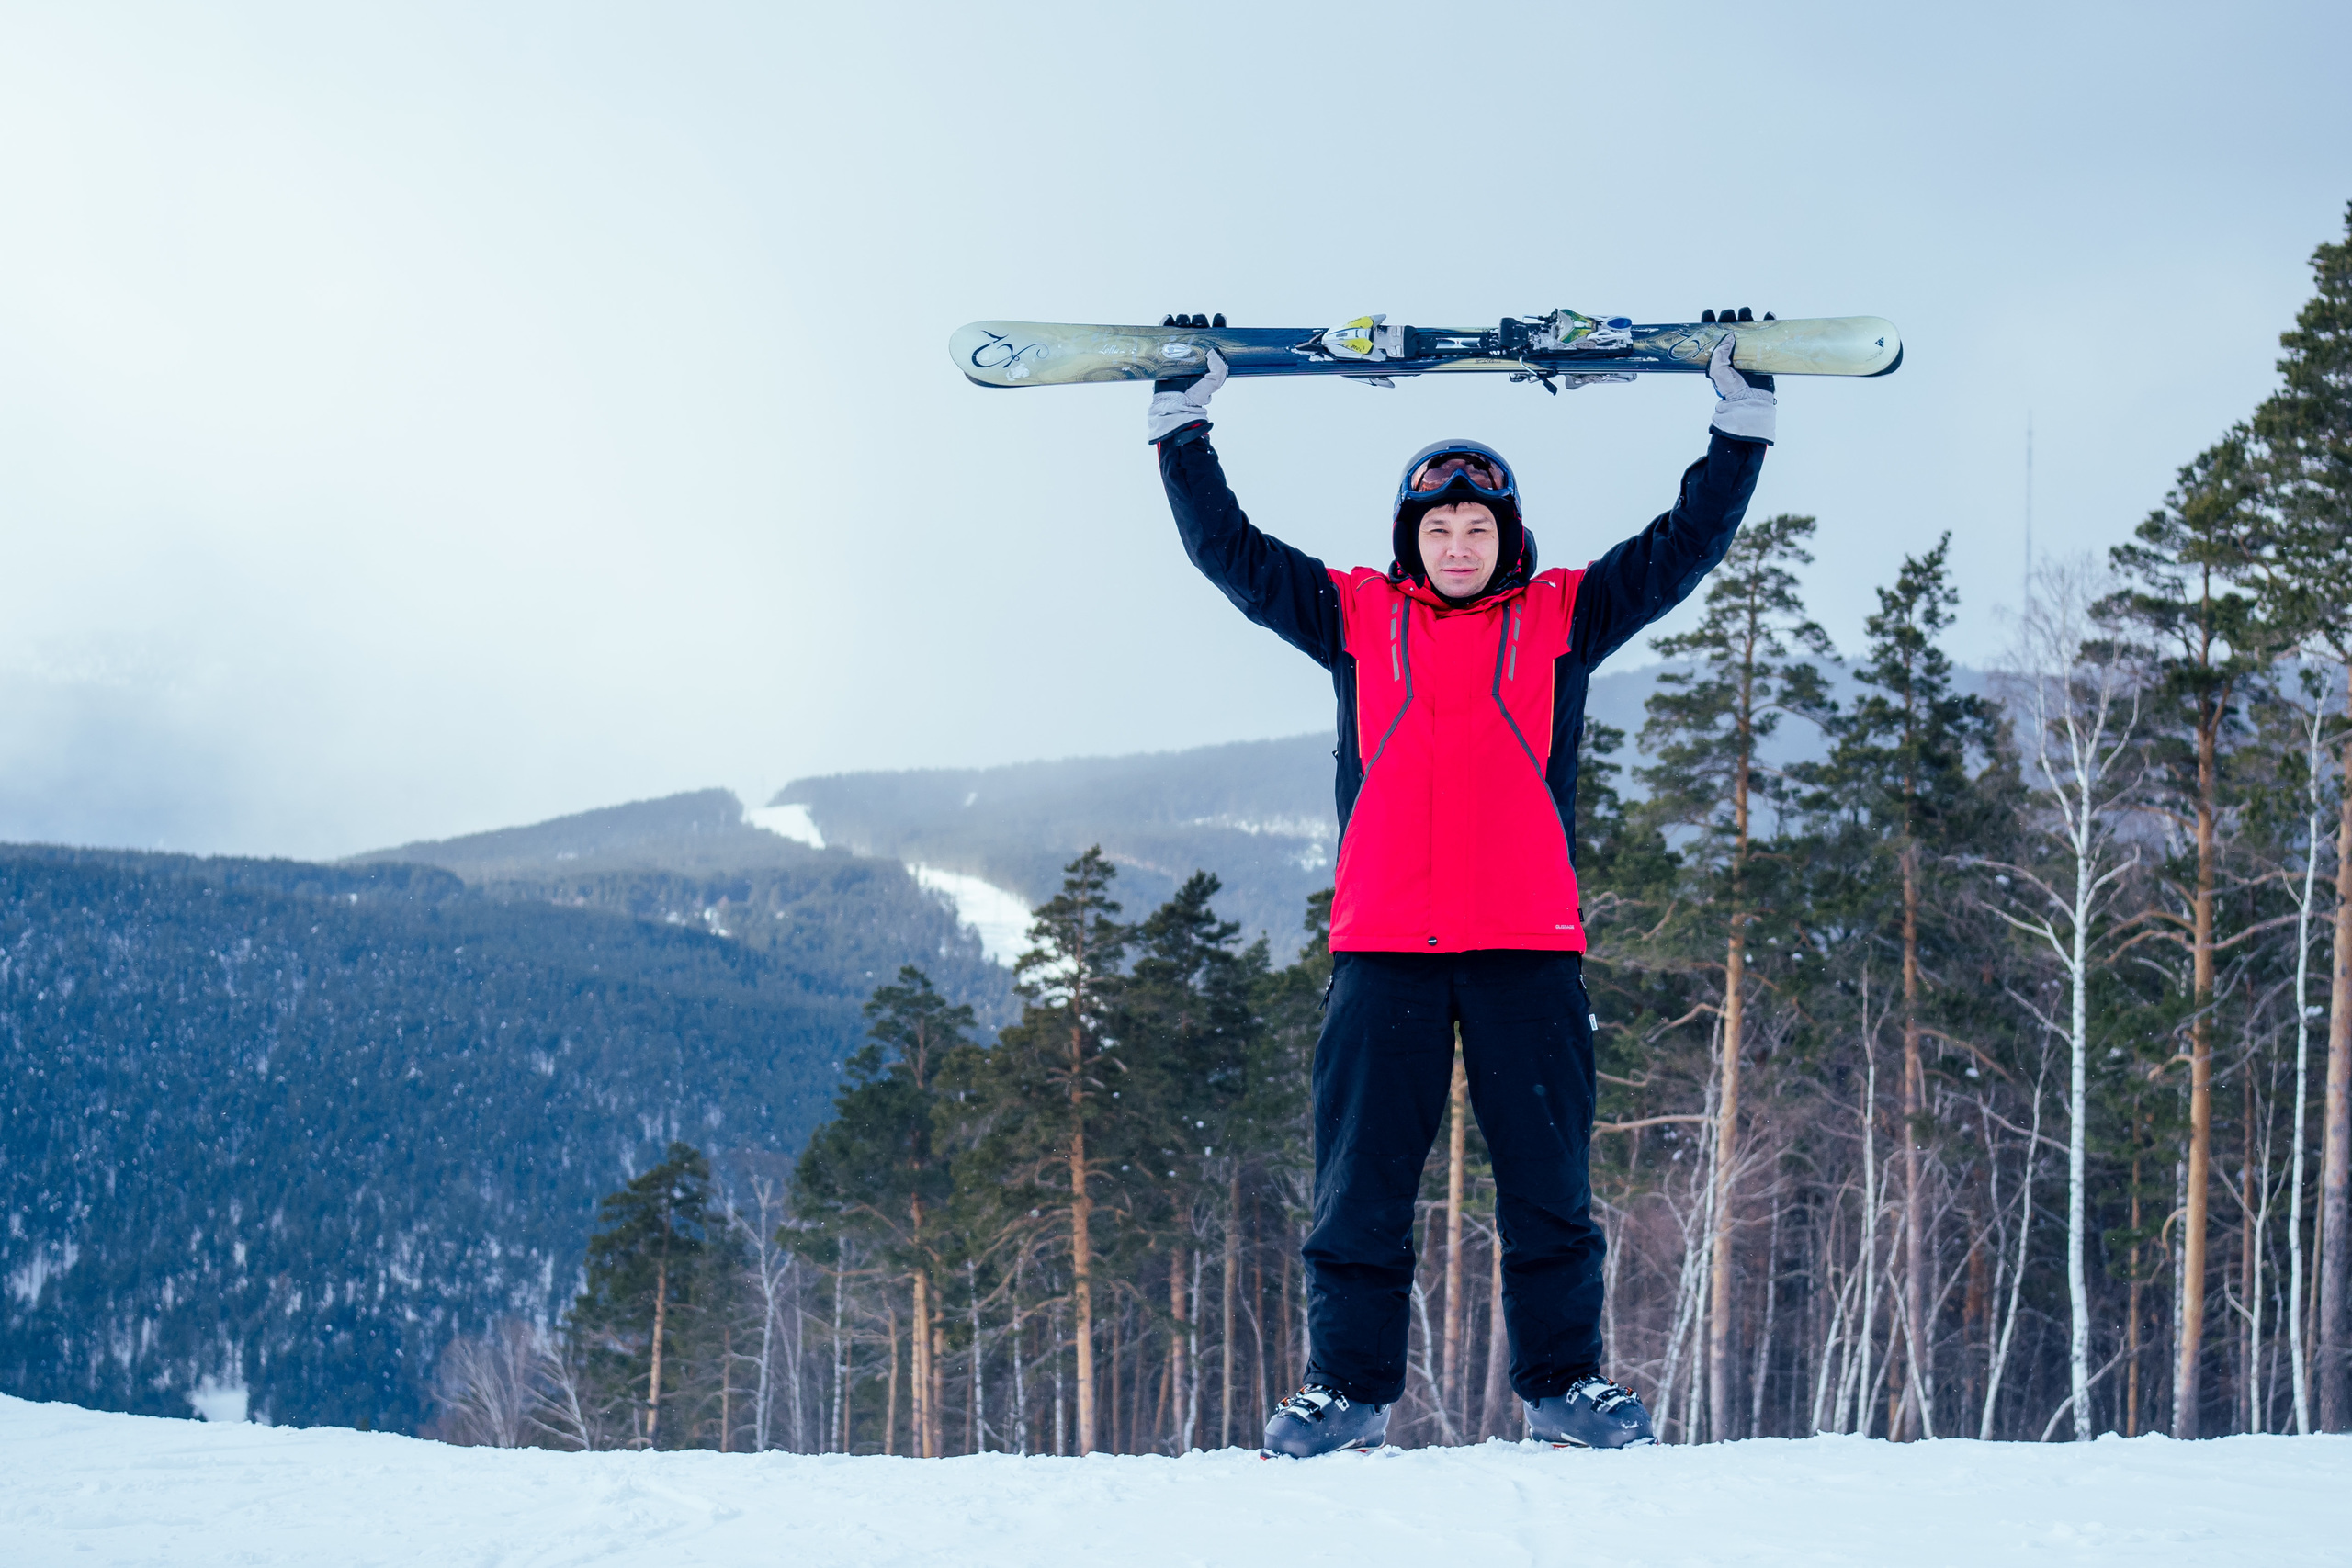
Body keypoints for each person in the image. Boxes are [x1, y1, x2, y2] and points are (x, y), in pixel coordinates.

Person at [1148, 322, 1777, 1454]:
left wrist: (1738, 427)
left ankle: (1561, 1387)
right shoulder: (1353, 617)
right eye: (1436, 527)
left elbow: (1683, 547)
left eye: (1475, 526)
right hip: (1382, 944)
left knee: (1546, 1186)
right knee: (1358, 1189)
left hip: (1524, 948)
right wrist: (1181, 427)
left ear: (1507, 535)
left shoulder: (1563, 620)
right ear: (1410, 538)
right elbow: (1231, 555)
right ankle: (1345, 1391)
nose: (1454, 543)